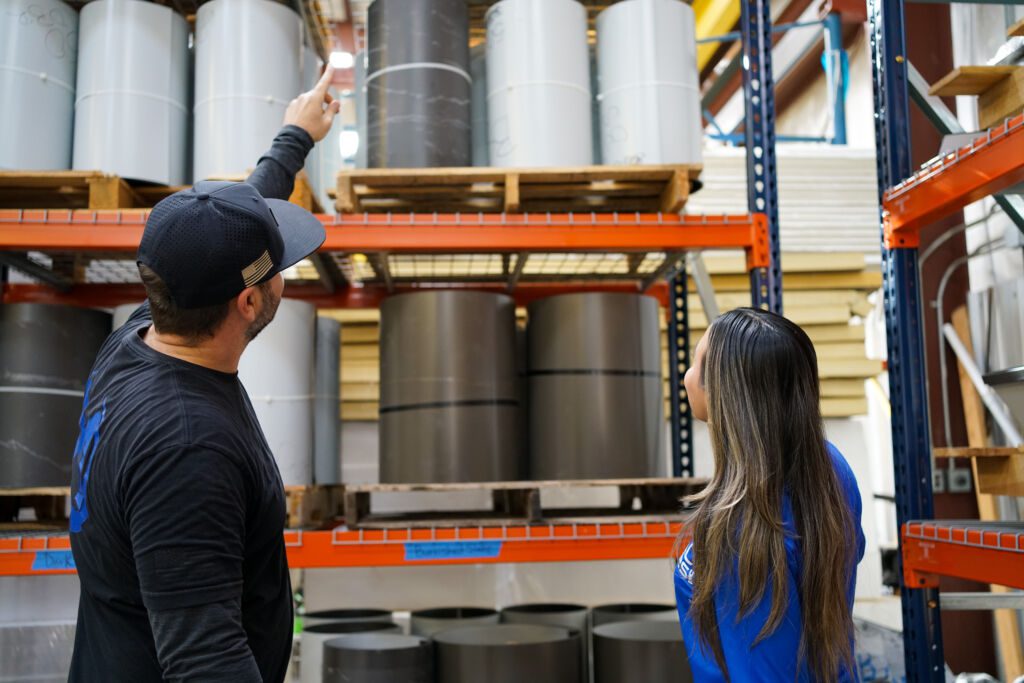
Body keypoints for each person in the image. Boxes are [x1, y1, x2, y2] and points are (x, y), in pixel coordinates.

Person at [68, 67, 341, 682]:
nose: (283, 279)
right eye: (279, 271)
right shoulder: (188, 449)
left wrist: (294, 137)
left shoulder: (139, 336)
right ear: (247, 302)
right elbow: (204, 661)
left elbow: (226, 225)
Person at [674, 308, 866, 682]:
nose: (687, 377)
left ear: (726, 393)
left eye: (697, 364)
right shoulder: (830, 467)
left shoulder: (743, 522)